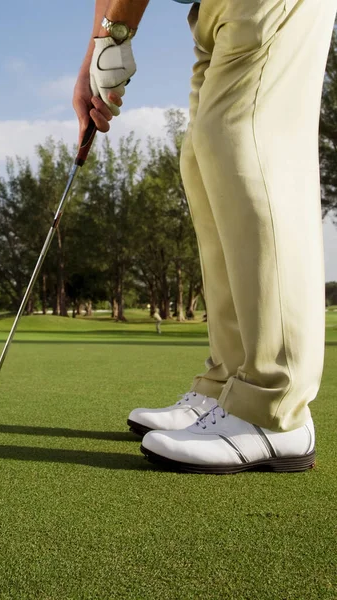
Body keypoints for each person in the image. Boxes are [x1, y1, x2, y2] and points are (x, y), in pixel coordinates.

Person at [74, 0, 337, 473]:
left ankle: (274, 409)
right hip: (210, 9)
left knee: (241, 138)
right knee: (202, 157)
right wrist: (96, 53)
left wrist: (114, 36)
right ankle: (227, 387)